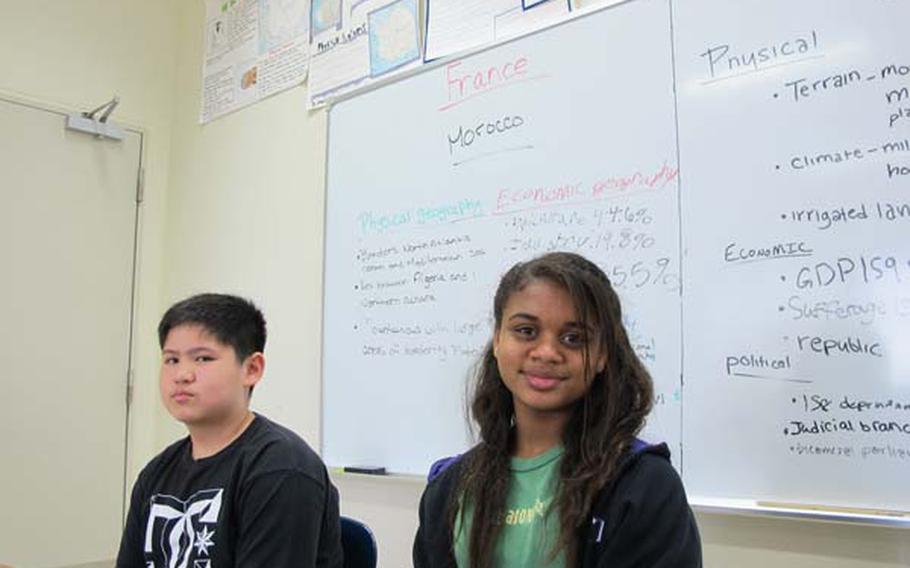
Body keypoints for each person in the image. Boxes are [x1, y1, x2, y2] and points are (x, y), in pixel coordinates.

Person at [413, 252, 701, 567]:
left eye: (573, 338)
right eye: (526, 331)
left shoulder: (644, 487)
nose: (547, 352)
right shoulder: (450, 490)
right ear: (497, 339)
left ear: (603, 354)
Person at [117, 293, 343, 568]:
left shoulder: (281, 469)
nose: (182, 375)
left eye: (202, 359)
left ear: (251, 369)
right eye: (172, 360)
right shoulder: (156, 473)